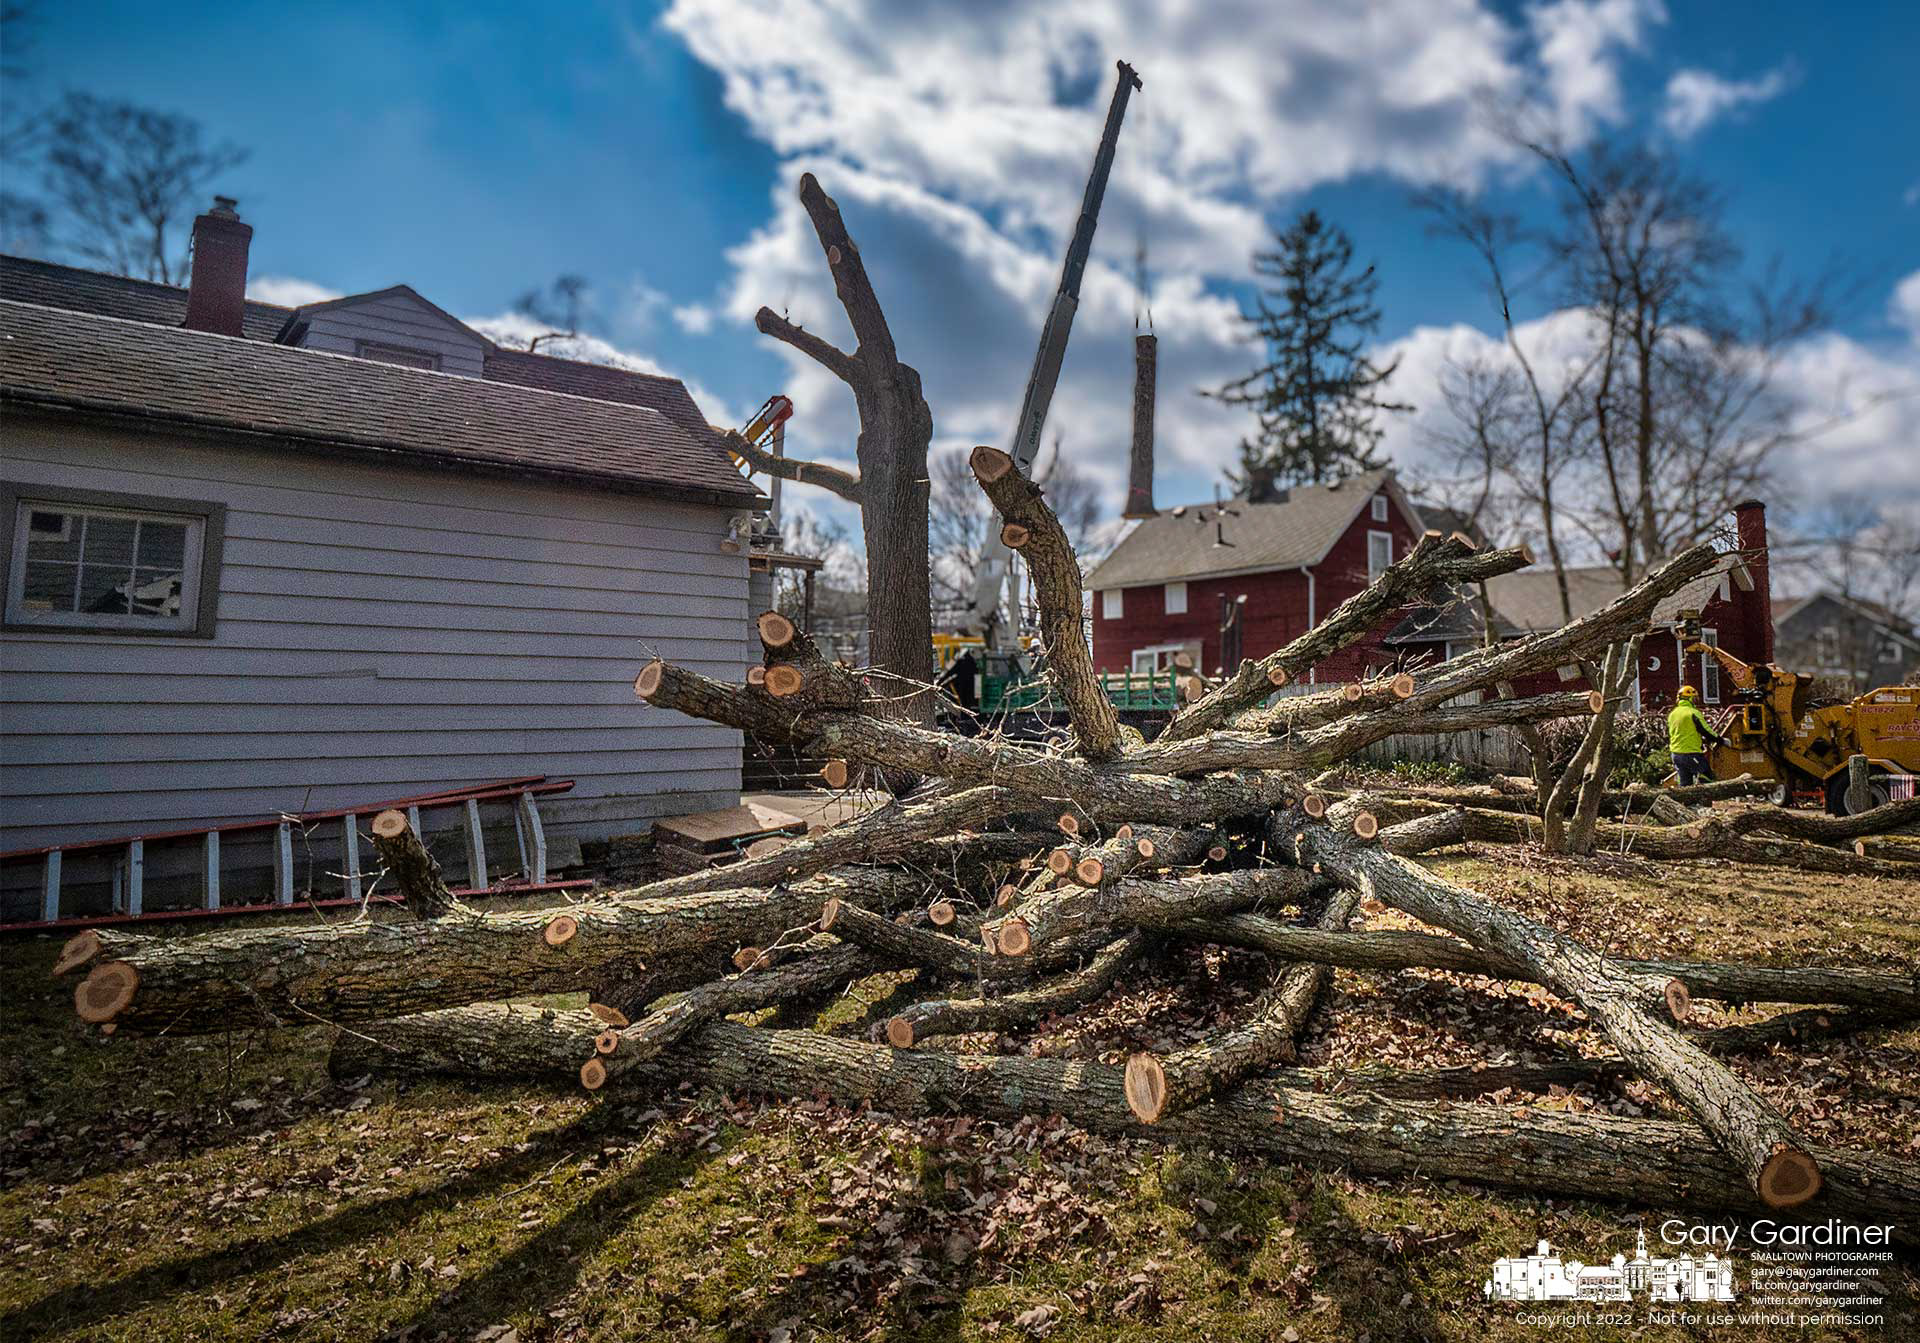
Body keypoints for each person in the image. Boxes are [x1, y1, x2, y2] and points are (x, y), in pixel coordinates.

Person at [1667, 685, 1726, 787]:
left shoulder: (1673, 714)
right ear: (1691, 699)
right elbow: (1706, 731)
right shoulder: (1693, 713)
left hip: (1675, 754)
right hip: (1691, 753)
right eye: (1695, 698)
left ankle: (1687, 803)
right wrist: (1720, 740)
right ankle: (1705, 802)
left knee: (1685, 785)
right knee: (1707, 779)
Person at [939, 646, 979, 712]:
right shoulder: (972, 660)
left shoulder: (956, 659)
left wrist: (940, 683)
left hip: (960, 685)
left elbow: (947, 672)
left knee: (961, 702)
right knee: (967, 702)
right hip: (969, 686)